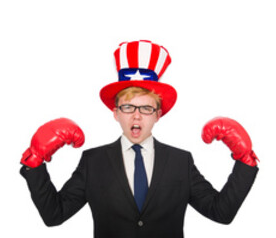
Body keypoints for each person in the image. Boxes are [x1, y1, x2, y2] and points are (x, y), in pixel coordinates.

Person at [19, 40, 261, 237]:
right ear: (115, 113)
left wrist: (244, 162)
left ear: (158, 114)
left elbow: (221, 213)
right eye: (128, 107)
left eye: (146, 108)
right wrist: (35, 163)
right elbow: (54, 215)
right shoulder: (93, 161)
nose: (136, 115)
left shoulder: (181, 161)